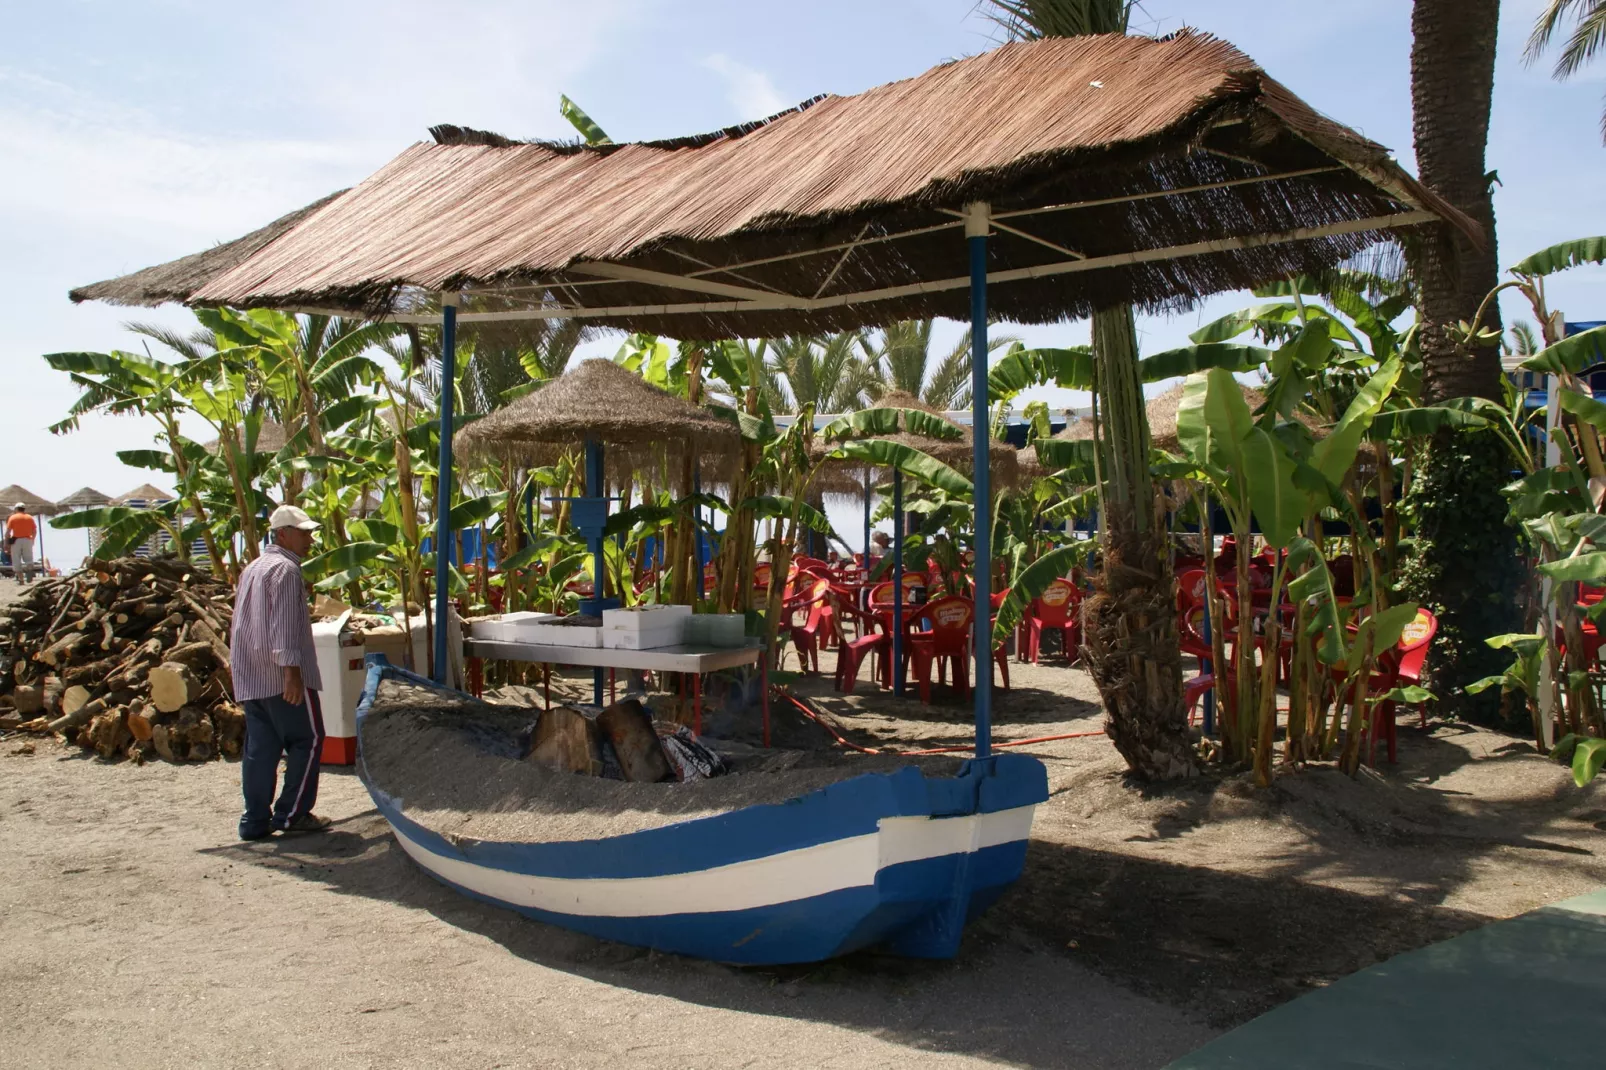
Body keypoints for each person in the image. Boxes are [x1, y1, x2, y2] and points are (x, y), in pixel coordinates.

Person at [230, 505, 329, 840]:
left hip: (253, 675)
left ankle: (254, 821)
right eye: (304, 533)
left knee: (261, 749)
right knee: (309, 739)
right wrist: (292, 673)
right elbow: (284, 625)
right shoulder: (286, 570)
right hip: (281, 675)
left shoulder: (253, 569)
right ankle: (291, 814)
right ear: (283, 534)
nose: (309, 539)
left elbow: (240, 625)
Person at [6, 503, 38, 583]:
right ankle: (29, 570)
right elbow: (34, 531)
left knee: (16, 559)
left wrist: (6, 543)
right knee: (29, 558)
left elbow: (8, 532)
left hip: (16, 540)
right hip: (28, 540)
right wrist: (33, 540)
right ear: (24, 509)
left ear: (16, 509)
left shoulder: (12, 517)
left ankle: (21, 579)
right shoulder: (30, 517)